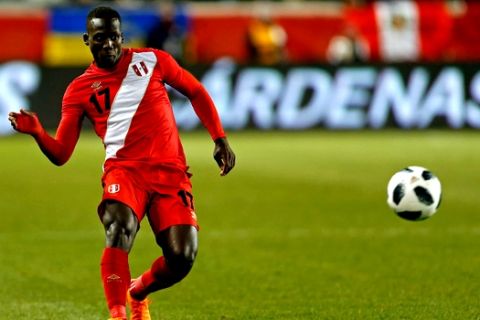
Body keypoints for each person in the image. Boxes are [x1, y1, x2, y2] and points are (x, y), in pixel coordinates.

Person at [8, 6, 235, 320]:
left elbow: (195, 91)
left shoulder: (153, 60)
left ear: (121, 36)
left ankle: (137, 291)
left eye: (114, 37)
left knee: (182, 257)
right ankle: (118, 315)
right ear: (87, 40)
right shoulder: (78, 90)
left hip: (170, 174)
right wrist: (37, 132)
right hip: (124, 173)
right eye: (100, 38)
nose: (109, 45)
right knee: (119, 228)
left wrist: (219, 137)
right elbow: (61, 154)